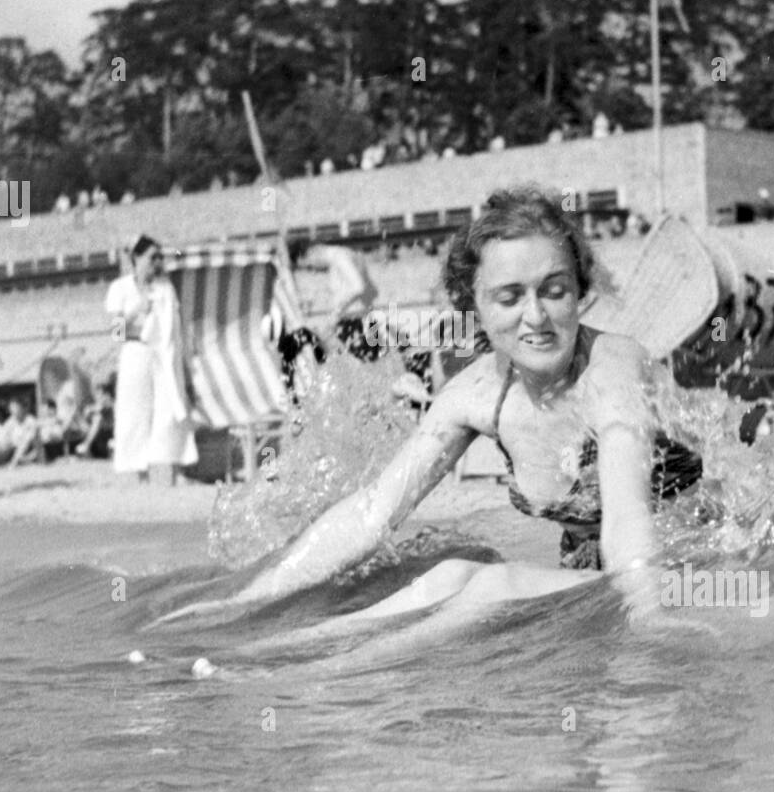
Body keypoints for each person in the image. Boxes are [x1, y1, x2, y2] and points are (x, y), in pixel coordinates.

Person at [224, 187, 703, 617]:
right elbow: (371, 513)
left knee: (488, 584)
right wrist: (254, 597)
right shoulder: (475, 395)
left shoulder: (611, 369)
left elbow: (627, 515)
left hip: (690, 578)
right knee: (450, 577)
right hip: (603, 580)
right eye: (509, 298)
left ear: (579, 292)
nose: (535, 316)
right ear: (475, 307)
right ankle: (280, 657)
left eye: (554, 291)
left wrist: (649, 631)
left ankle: (305, 667)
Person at [105, 235, 198, 482]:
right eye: (151, 257)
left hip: (163, 353)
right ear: (137, 258)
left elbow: (173, 328)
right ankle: (140, 473)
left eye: (159, 257)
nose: (156, 262)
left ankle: (176, 470)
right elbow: (116, 332)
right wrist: (137, 310)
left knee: (170, 407)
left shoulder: (165, 288)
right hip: (135, 352)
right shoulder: (120, 288)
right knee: (134, 411)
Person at [0, 398, 39, 467]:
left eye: (15, 408)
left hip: (29, 449)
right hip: (14, 449)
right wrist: (0, 444)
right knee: (2, 438)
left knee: (27, 438)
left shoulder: (30, 420)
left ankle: (16, 461)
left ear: (21, 408)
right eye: (11, 408)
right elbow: (3, 434)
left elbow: (30, 439)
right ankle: (13, 460)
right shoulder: (11, 421)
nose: (13, 411)